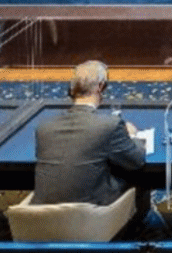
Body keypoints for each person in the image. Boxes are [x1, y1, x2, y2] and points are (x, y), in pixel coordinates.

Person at [33, 61, 146, 206]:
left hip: (43, 213)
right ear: (100, 87)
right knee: (140, 181)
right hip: (92, 213)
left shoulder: (43, 128)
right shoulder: (109, 125)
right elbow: (136, 161)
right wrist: (132, 135)